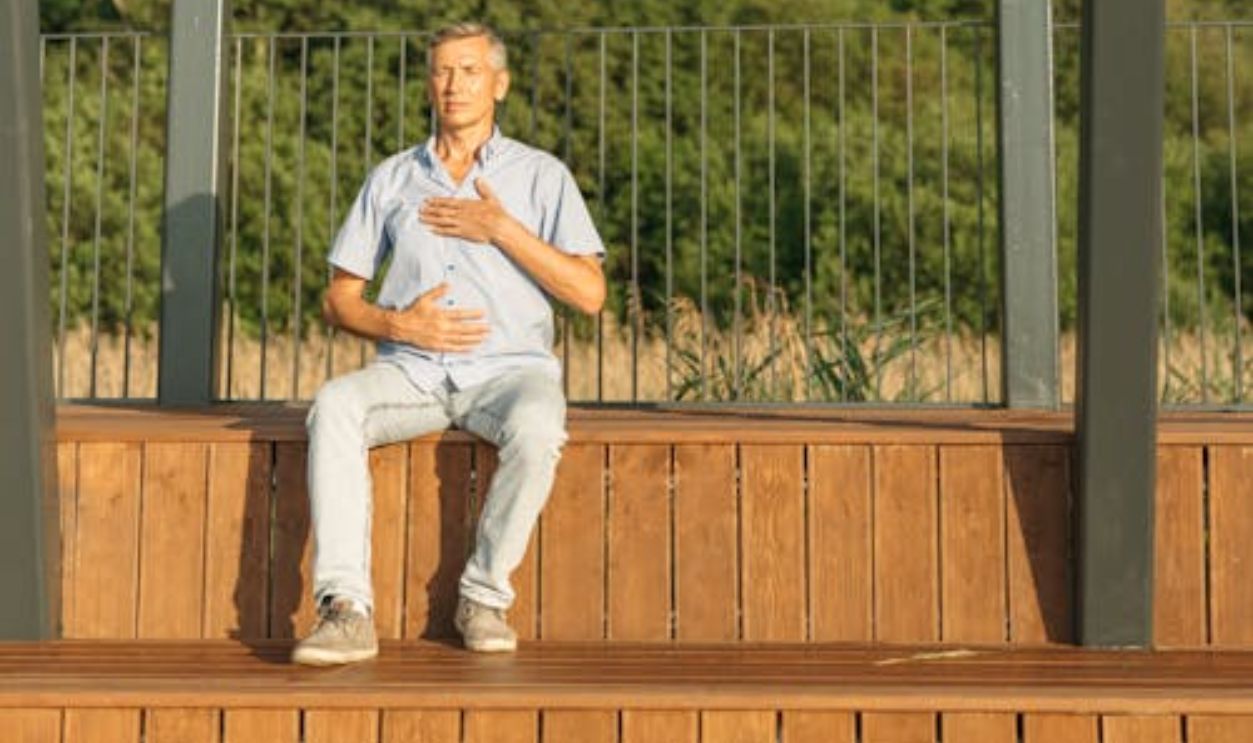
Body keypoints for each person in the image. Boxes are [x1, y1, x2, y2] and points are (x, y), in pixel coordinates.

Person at [291, 22, 606, 666]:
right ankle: (346, 610)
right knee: (335, 405)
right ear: (428, 85)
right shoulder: (392, 178)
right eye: (442, 71)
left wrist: (501, 229)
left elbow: (590, 293)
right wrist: (398, 325)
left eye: (468, 70)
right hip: (413, 373)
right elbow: (338, 298)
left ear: (499, 84)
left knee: (541, 425)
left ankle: (484, 598)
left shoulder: (542, 177)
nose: (453, 83)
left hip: (510, 373)